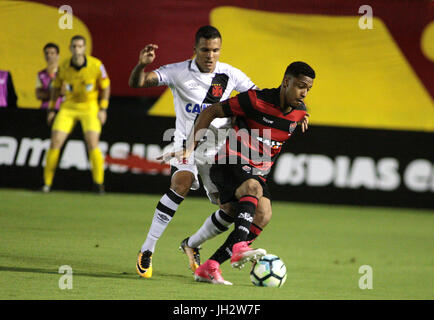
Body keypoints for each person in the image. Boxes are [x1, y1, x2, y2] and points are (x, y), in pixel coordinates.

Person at [129, 25, 278, 280]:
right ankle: (147, 249)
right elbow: (138, 83)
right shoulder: (177, 71)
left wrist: (299, 107)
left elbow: (260, 98)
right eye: (205, 50)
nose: (211, 55)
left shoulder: (229, 74)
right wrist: (140, 66)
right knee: (181, 183)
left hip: (219, 151)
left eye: (216, 50)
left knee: (231, 209)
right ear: (195, 50)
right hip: (187, 144)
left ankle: (192, 244)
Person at [168, 61, 315, 285]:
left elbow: (294, 117)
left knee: (262, 214)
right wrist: (190, 146)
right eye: (301, 86)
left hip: (256, 172)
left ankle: (210, 266)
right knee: (252, 191)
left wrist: (303, 115)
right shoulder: (255, 100)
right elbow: (212, 111)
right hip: (229, 163)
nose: (304, 93)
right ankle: (239, 246)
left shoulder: (299, 113)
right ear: (286, 81)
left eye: (309, 89)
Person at [42, 35, 110, 194]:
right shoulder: (63, 66)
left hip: (90, 107)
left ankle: (98, 184)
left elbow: (106, 87)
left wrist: (103, 108)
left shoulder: (96, 65)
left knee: (92, 142)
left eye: (80, 46)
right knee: (55, 141)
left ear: (84, 48)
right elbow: (56, 88)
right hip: (69, 107)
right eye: (74, 47)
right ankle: (47, 184)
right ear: (70, 48)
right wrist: (52, 109)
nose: (77, 50)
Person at [35, 43, 62, 110]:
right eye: (47, 53)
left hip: (60, 109)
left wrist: (46, 94)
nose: (49, 55)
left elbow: (64, 91)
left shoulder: (63, 73)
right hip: (44, 109)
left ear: (58, 56)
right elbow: (38, 95)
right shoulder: (41, 74)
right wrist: (56, 92)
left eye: (52, 53)